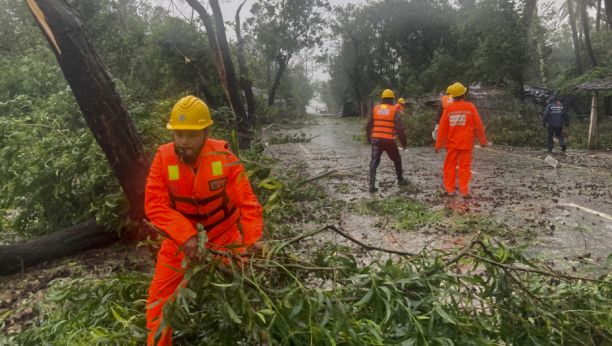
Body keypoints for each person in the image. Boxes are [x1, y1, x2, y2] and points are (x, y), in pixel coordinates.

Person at [144, 96, 264, 345]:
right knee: (158, 301)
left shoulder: (224, 157)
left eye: (191, 135)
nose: (183, 142)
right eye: (178, 134)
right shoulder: (163, 159)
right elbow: (154, 204)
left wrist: (254, 239)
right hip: (179, 243)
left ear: (206, 133)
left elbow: (247, 202)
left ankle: (265, 337)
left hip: (225, 238)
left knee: (251, 291)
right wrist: (184, 234)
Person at [435, 83, 487, 199]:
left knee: (450, 167)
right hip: (467, 144)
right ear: (463, 94)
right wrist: (483, 141)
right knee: (465, 168)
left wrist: (438, 145)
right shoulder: (470, 107)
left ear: (452, 96)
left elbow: (442, 130)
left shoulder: (448, 109)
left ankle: (450, 191)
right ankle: (464, 191)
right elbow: (478, 125)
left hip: (452, 144)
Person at [366, 89, 409, 193]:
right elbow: (400, 129)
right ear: (392, 100)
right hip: (389, 141)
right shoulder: (393, 110)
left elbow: (368, 126)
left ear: (382, 99)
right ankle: (400, 179)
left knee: (374, 161)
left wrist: (369, 138)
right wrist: (404, 143)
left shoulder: (376, 109)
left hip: (376, 140)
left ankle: (371, 185)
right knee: (397, 159)